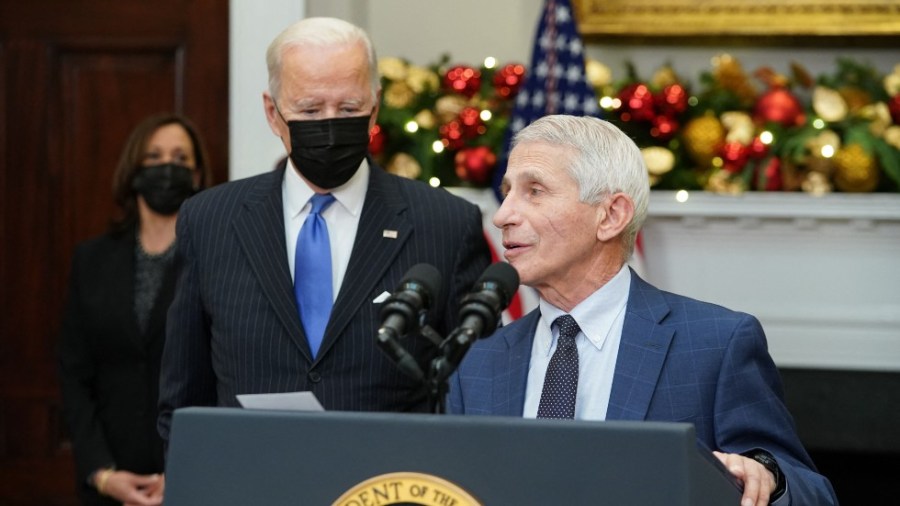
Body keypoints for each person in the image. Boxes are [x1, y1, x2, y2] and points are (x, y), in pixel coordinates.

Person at [448, 115, 838, 505]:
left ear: (612, 215)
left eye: (534, 191)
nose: (502, 215)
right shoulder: (477, 361)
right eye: (507, 191)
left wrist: (768, 479)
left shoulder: (716, 345)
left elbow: (812, 493)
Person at [156, 17, 490, 440]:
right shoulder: (210, 220)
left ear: (375, 108)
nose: (330, 125)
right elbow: (183, 398)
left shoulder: (444, 224)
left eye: (348, 109)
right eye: (310, 110)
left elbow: (472, 395)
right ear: (272, 113)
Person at [58, 113, 213, 505]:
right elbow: (74, 374)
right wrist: (101, 472)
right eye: (155, 157)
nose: (167, 168)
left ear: (197, 175)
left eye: (181, 159)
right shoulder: (92, 259)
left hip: (192, 477)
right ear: (134, 170)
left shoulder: (216, 259)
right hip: (109, 481)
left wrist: (183, 470)